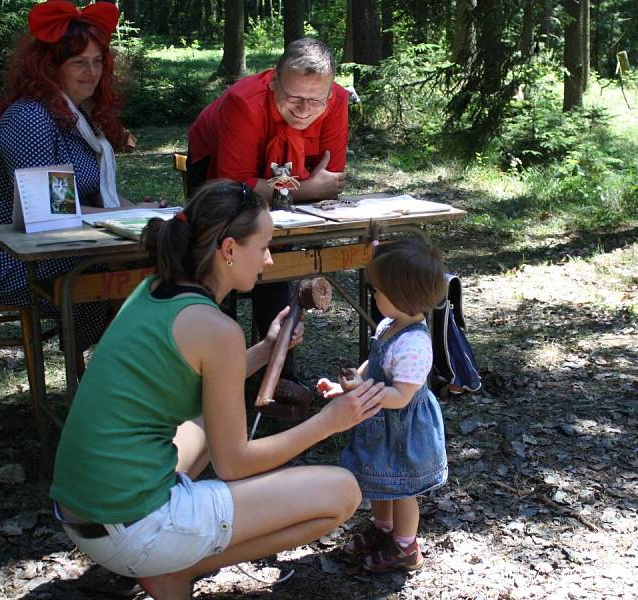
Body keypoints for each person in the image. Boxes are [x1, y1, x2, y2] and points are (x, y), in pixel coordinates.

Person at [50, 180, 387, 600]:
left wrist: (266, 350)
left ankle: (161, 561)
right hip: (134, 530)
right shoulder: (217, 329)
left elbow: (193, 375)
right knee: (343, 492)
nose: (267, 258)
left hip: (82, 514)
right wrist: (327, 422)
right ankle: (174, 570)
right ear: (228, 250)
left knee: (213, 418)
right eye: (262, 246)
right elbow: (235, 464)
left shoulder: (153, 290)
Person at [0, 0, 128, 351]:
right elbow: (52, 213)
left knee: (153, 265)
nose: (92, 72)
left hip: (56, 247)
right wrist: (123, 218)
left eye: (98, 61)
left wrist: (152, 213)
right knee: (123, 279)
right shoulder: (31, 119)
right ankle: (106, 383)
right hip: (5, 258)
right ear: (50, 68)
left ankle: (116, 381)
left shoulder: (81, 118)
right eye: (79, 63)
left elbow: (93, 198)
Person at [186, 37, 350, 375]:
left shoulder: (337, 101)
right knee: (222, 257)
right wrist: (305, 188)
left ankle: (277, 373)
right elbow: (230, 187)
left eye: (316, 100)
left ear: (330, 91)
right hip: (214, 174)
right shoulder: (242, 103)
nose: (305, 110)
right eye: (294, 98)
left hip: (273, 183)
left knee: (277, 261)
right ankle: (214, 367)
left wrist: (294, 190)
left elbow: (330, 181)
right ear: (274, 81)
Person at [317, 238, 449, 572]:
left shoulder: (415, 345)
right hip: (381, 426)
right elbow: (374, 360)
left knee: (403, 488)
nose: (373, 296)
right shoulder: (390, 325)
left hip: (402, 430)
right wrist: (346, 386)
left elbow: (402, 396)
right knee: (380, 478)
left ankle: (406, 547)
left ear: (402, 296)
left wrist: (364, 389)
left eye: (378, 291)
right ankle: (383, 529)